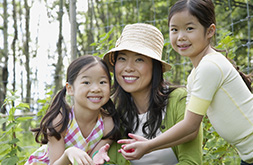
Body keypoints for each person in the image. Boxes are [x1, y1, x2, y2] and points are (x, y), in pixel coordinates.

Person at [117, 0, 253, 164]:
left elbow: (190, 125)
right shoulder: (196, 73)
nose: (181, 37)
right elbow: (189, 131)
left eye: (189, 28)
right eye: (174, 29)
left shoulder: (210, 66)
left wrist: (149, 146)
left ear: (210, 31)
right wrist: (149, 145)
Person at [102, 23, 203, 164]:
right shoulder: (116, 112)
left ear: (155, 67)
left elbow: (192, 161)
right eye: (122, 59)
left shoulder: (179, 100)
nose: (128, 68)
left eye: (139, 59)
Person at [25, 55, 120, 165]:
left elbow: (91, 161)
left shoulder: (107, 123)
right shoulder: (60, 121)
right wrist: (68, 154)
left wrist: (97, 157)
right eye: (86, 82)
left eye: (102, 82)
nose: (96, 89)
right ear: (70, 89)